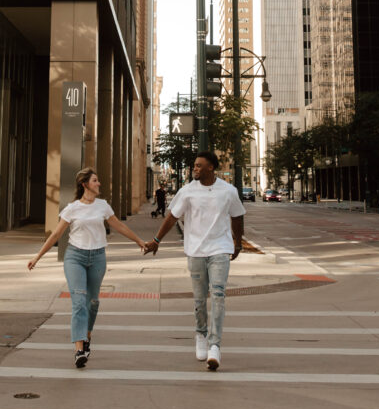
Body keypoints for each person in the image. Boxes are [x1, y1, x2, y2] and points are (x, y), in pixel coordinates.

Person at [27, 166, 149, 368]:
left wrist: (139, 241)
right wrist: (37, 257)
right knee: (78, 302)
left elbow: (119, 225)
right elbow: (56, 235)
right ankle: (79, 349)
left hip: (98, 257)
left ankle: (87, 336)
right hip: (75, 257)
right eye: (95, 181)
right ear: (85, 184)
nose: (99, 183)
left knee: (92, 303)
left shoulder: (103, 206)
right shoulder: (72, 208)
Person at [144, 151, 245, 371]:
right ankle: (200, 334)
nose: (195, 169)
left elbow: (237, 216)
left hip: (220, 249)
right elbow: (172, 217)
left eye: (199, 166)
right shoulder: (187, 191)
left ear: (211, 168)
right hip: (196, 251)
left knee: (218, 295)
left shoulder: (228, 191)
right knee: (200, 300)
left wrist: (237, 244)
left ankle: (214, 345)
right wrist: (156, 240)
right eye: (194, 166)